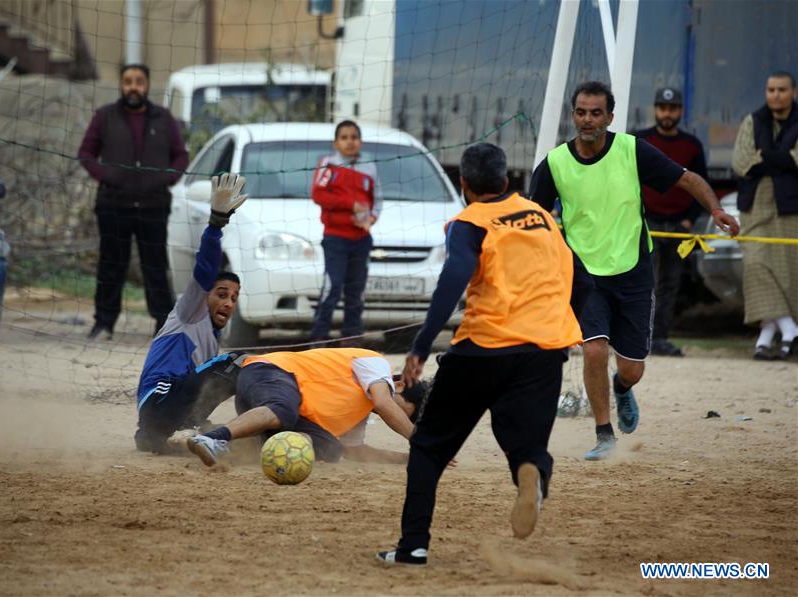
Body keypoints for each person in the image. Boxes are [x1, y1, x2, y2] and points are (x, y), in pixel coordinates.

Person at [375, 143, 586, 566]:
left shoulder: (469, 222)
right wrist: (564, 325)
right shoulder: (544, 218)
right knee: (524, 444)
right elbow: (582, 279)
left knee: (430, 447)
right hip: (544, 351)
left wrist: (419, 347)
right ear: (508, 182)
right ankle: (531, 476)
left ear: (464, 185)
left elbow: (452, 280)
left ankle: (413, 546)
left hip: (483, 348)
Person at [529, 81, 740, 461]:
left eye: (596, 113)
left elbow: (688, 179)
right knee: (593, 350)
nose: (587, 119)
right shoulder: (555, 163)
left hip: (633, 272)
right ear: (573, 114)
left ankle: (622, 389)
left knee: (632, 369)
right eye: (581, 112)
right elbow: (534, 219)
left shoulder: (631, 150)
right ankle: (603, 434)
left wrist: (716, 209)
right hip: (585, 276)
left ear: (610, 117)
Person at [134, 174, 248, 454]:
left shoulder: (210, 337)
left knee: (231, 370)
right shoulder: (189, 313)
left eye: (234, 298)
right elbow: (206, 268)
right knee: (239, 363)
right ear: (203, 294)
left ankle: (167, 436)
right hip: (158, 403)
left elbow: (200, 387)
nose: (229, 303)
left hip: (168, 415)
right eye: (221, 294)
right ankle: (256, 427)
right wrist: (216, 222)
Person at [78, 63, 189, 341]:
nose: (133, 87)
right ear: (121, 85)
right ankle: (104, 323)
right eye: (128, 81)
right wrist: (106, 176)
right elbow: (86, 153)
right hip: (113, 204)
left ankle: (163, 323)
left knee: (155, 265)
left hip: (154, 205)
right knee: (111, 265)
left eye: (139, 81)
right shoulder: (105, 117)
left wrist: (167, 178)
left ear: (148, 85)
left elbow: (181, 156)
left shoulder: (164, 119)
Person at [180, 347, 428, 466]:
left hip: (268, 409)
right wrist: (424, 445)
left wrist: (410, 459)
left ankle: (206, 443)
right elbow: (386, 404)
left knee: (331, 448)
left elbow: (356, 452)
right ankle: (214, 438)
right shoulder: (376, 363)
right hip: (268, 372)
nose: (390, 417)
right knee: (284, 409)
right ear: (402, 385)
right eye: (401, 411)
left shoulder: (359, 412)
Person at [634, 87, 709, 357]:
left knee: (670, 284)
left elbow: (700, 186)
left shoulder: (692, 145)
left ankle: (661, 337)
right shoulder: (640, 140)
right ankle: (640, 336)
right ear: (655, 109)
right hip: (647, 223)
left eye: (673, 108)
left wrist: (689, 221)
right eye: (663, 108)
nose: (667, 113)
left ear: (680, 111)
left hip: (679, 227)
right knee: (645, 282)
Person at [732, 71, 798, 361]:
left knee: (787, 271)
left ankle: (767, 336)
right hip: (755, 206)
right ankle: (790, 329)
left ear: (793, 92)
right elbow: (741, 162)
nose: (775, 95)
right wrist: (783, 160)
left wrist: (765, 157)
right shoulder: (753, 120)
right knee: (755, 263)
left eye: (781, 89)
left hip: (790, 207)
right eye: (771, 89)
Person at [309, 120, 382, 345]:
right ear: (336, 142)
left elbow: (377, 200)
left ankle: (351, 340)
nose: (350, 142)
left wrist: (371, 218)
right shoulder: (327, 165)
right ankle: (319, 338)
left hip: (361, 239)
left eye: (354, 137)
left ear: (360, 141)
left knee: (356, 292)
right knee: (332, 287)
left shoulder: (370, 168)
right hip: (336, 238)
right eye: (344, 137)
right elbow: (318, 195)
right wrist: (350, 204)